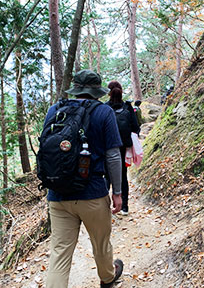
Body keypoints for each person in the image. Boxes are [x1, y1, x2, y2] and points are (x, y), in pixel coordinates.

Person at [44, 70, 124, 288]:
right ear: (96, 91)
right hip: (93, 194)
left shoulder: (54, 110)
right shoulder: (103, 112)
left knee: (59, 254)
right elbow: (113, 156)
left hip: (58, 195)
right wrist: (117, 192)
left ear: (76, 89)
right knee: (100, 243)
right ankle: (107, 278)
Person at [106, 80, 140, 215]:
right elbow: (136, 128)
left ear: (109, 93)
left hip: (107, 147)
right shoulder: (127, 107)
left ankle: (106, 207)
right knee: (122, 176)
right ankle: (124, 207)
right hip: (123, 147)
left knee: (107, 176)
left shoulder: (104, 108)